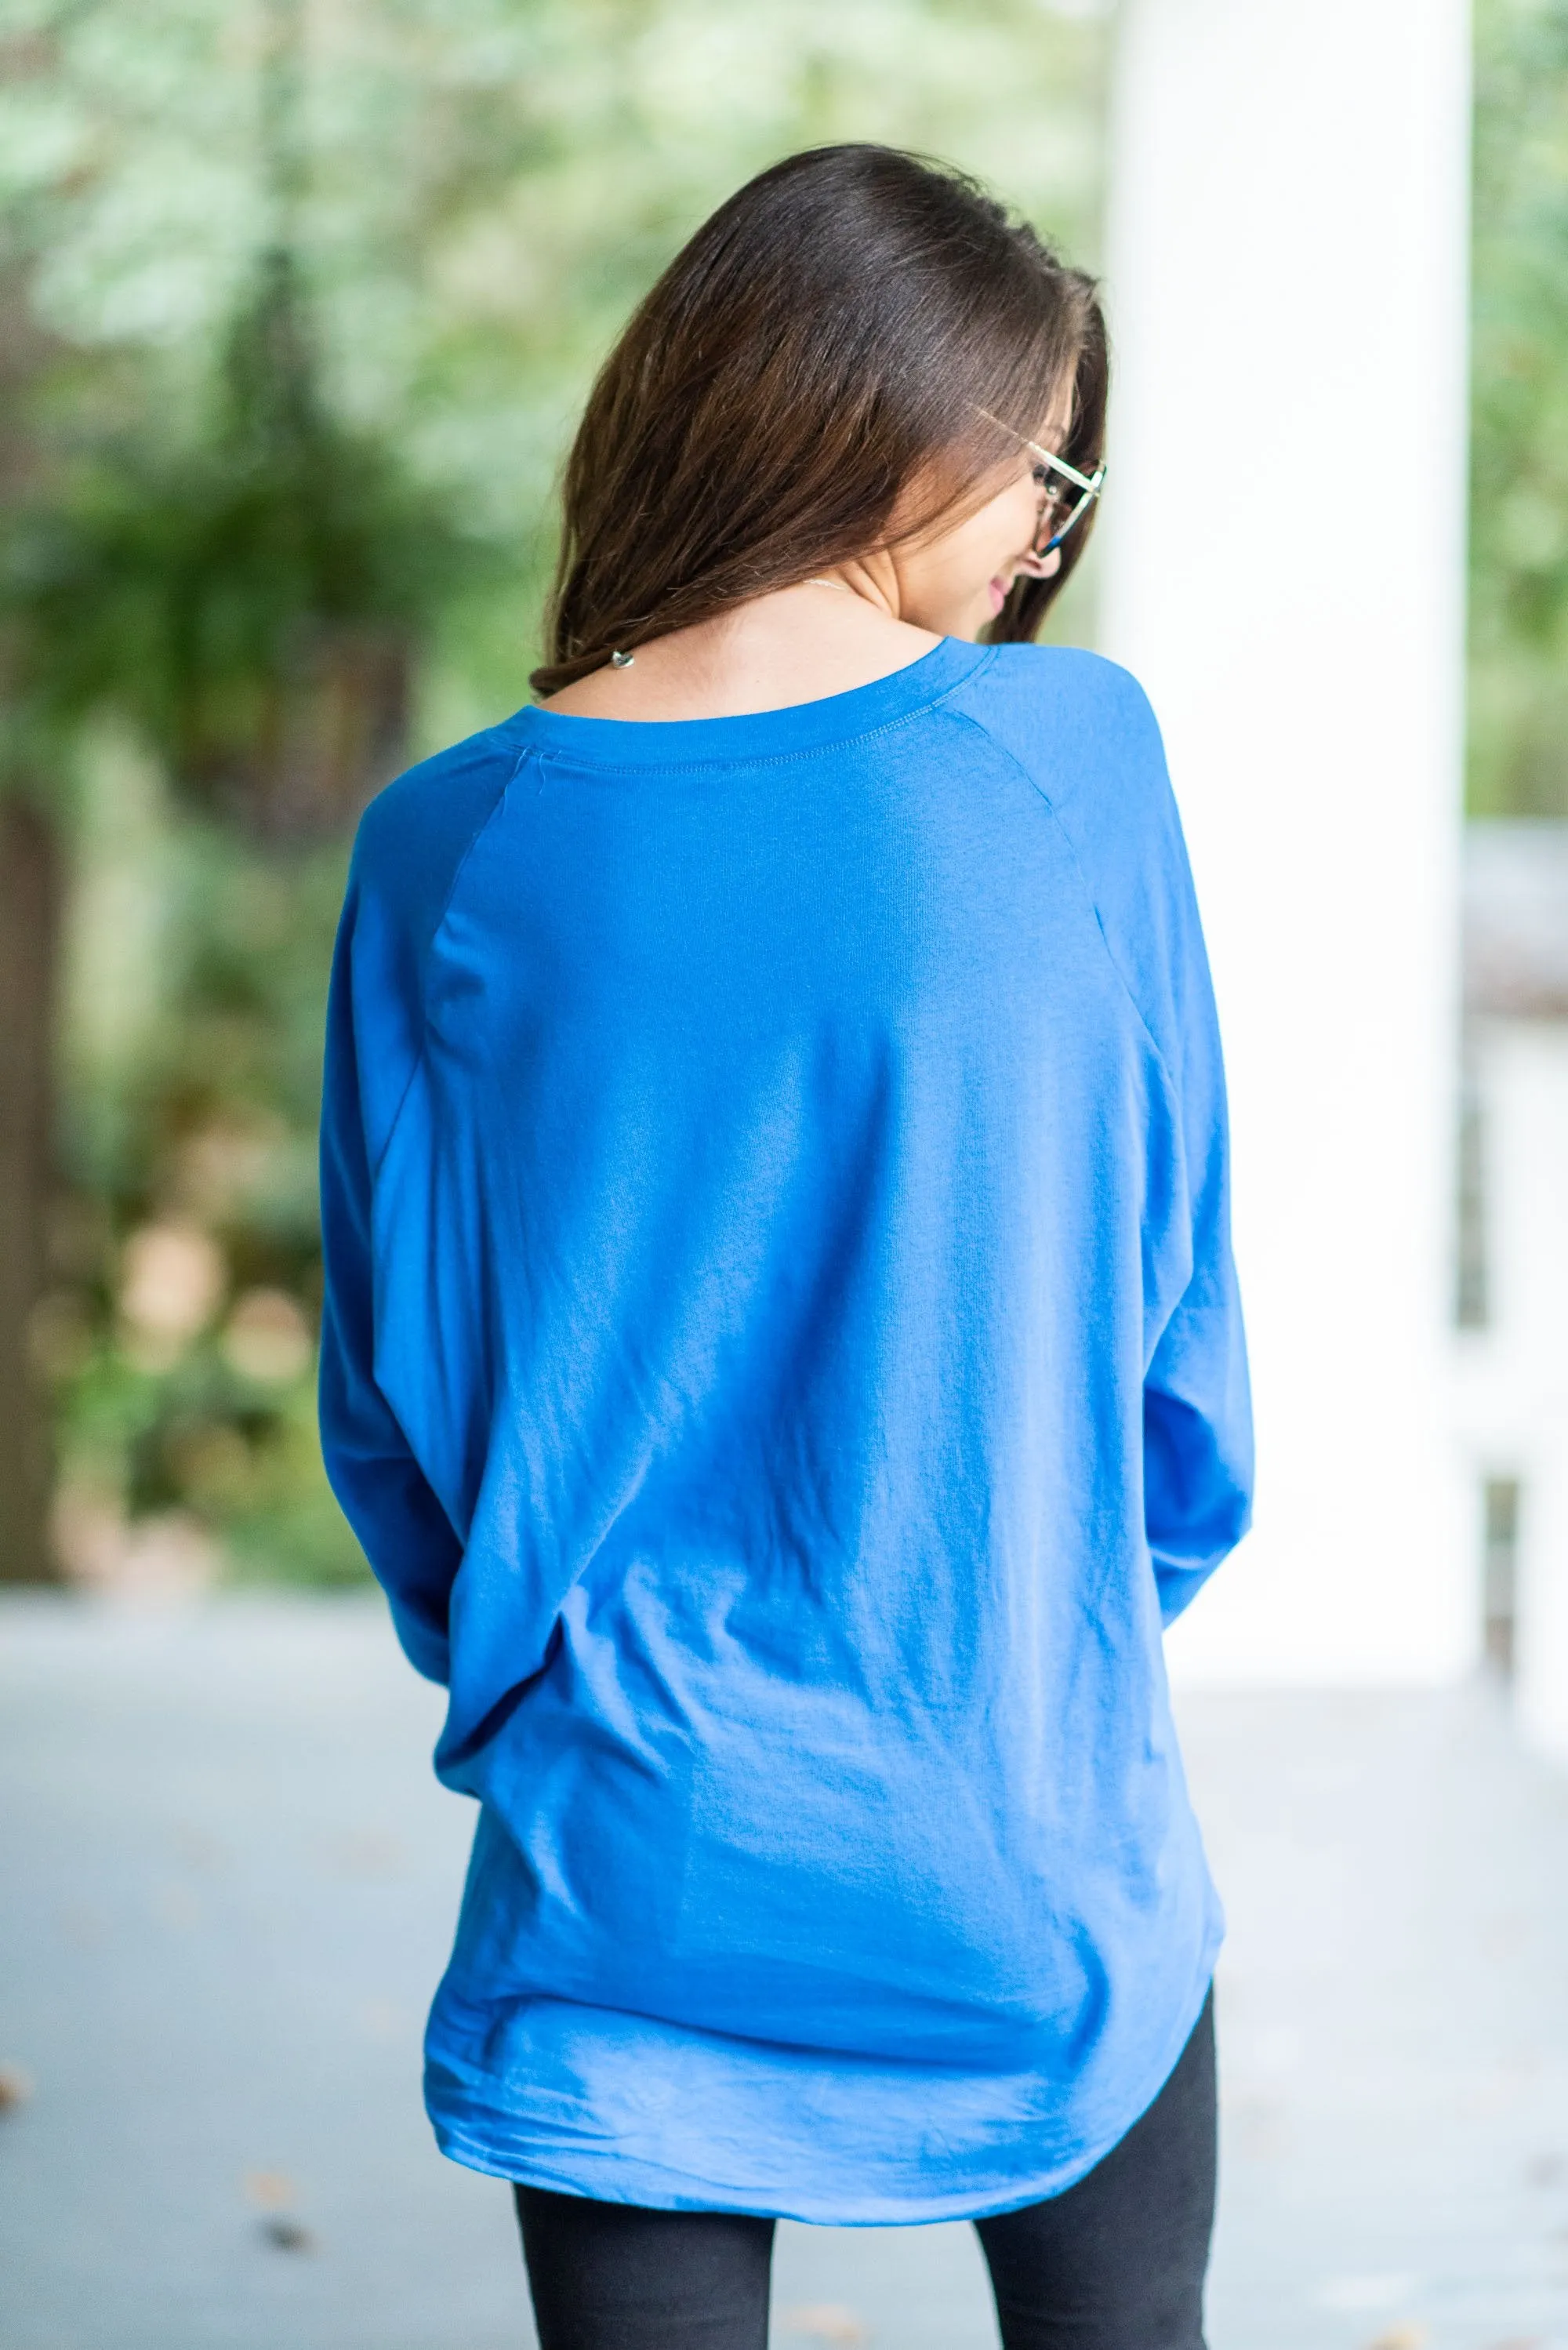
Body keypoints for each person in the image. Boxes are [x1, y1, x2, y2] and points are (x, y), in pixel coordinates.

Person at [318, 143, 1252, 2350]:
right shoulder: (1069, 760)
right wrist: (1036, 1621)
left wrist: (584, 1677)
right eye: (1052, 468)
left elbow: (401, 1408)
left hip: (628, 1858)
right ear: (897, 423)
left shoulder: (443, 847)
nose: (1051, 533)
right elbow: (1179, 1349)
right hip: (1025, 1816)